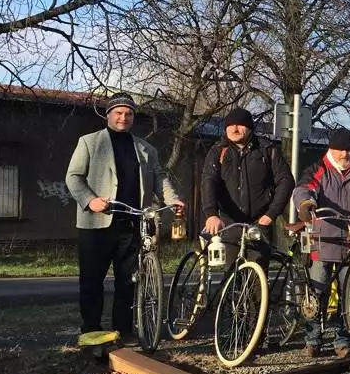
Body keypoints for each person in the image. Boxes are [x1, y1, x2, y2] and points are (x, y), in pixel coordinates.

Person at [65, 95, 184, 341]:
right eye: (118, 113)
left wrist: (173, 200)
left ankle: (124, 330)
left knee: (128, 282)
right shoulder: (89, 143)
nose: (123, 117)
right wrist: (90, 200)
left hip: (131, 224)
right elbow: (73, 177)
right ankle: (91, 331)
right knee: (91, 281)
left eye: (128, 114)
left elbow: (159, 179)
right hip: (96, 225)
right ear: (108, 115)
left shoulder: (145, 149)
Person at [293, 127, 350, 358]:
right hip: (322, 239)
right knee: (316, 291)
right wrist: (306, 205)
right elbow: (303, 189)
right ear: (330, 149)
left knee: (349, 295)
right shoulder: (318, 170)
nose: (344, 155)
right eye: (339, 150)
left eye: (348, 151)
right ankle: (312, 339)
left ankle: (343, 340)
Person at [200, 107, 294, 269]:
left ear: (250, 128)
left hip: (259, 223)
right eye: (230, 125)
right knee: (231, 275)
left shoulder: (267, 150)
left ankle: (259, 294)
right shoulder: (218, 151)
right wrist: (211, 214)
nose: (234, 129)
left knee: (258, 277)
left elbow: (286, 181)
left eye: (240, 125)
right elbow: (208, 181)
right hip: (229, 223)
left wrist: (270, 214)